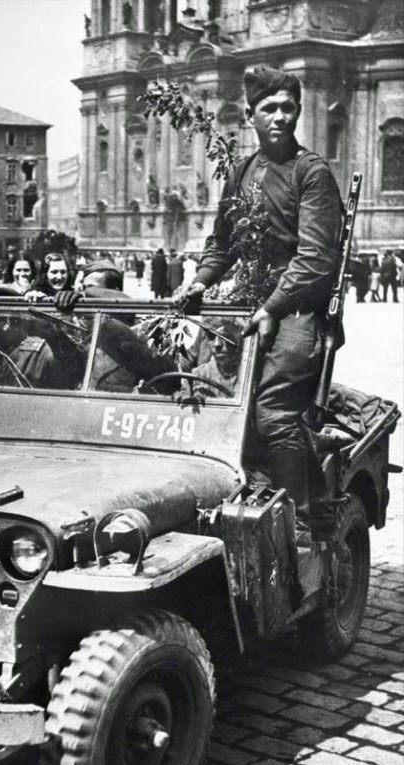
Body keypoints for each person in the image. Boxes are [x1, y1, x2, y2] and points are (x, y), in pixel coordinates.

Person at [181, 64, 343, 544]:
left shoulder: (311, 173)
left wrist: (273, 308)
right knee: (209, 399)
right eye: (269, 108)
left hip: (300, 310)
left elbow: (315, 260)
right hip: (251, 306)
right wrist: (199, 282)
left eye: (288, 108)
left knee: (272, 410)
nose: (280, 117)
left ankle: (304, 522)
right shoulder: (241, 172)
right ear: (250, 116)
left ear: (298, 113)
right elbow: (222, 243)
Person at [193, 319, 243, 399]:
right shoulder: (199, 374)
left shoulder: (247, 375)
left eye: (224, 337)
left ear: (238, 341)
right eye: (212, 337)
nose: (217, 344)